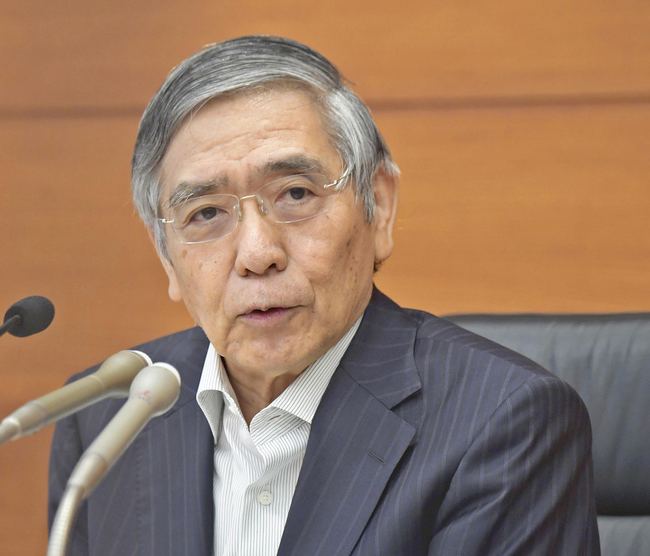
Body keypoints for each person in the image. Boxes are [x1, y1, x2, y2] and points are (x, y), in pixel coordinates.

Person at [48, 35, 599, 555]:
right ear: (166, 254)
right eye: (206, 212)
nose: (257, 253)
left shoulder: (504, 423)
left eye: (295, 193)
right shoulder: (106, 420)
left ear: (378, 205)